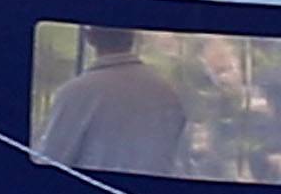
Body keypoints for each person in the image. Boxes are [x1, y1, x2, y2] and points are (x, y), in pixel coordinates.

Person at [35, 26, 186, 177]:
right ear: (133, 37)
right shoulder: (166, 94)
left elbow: (52, 158)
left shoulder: (76, 92)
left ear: (89, 37)